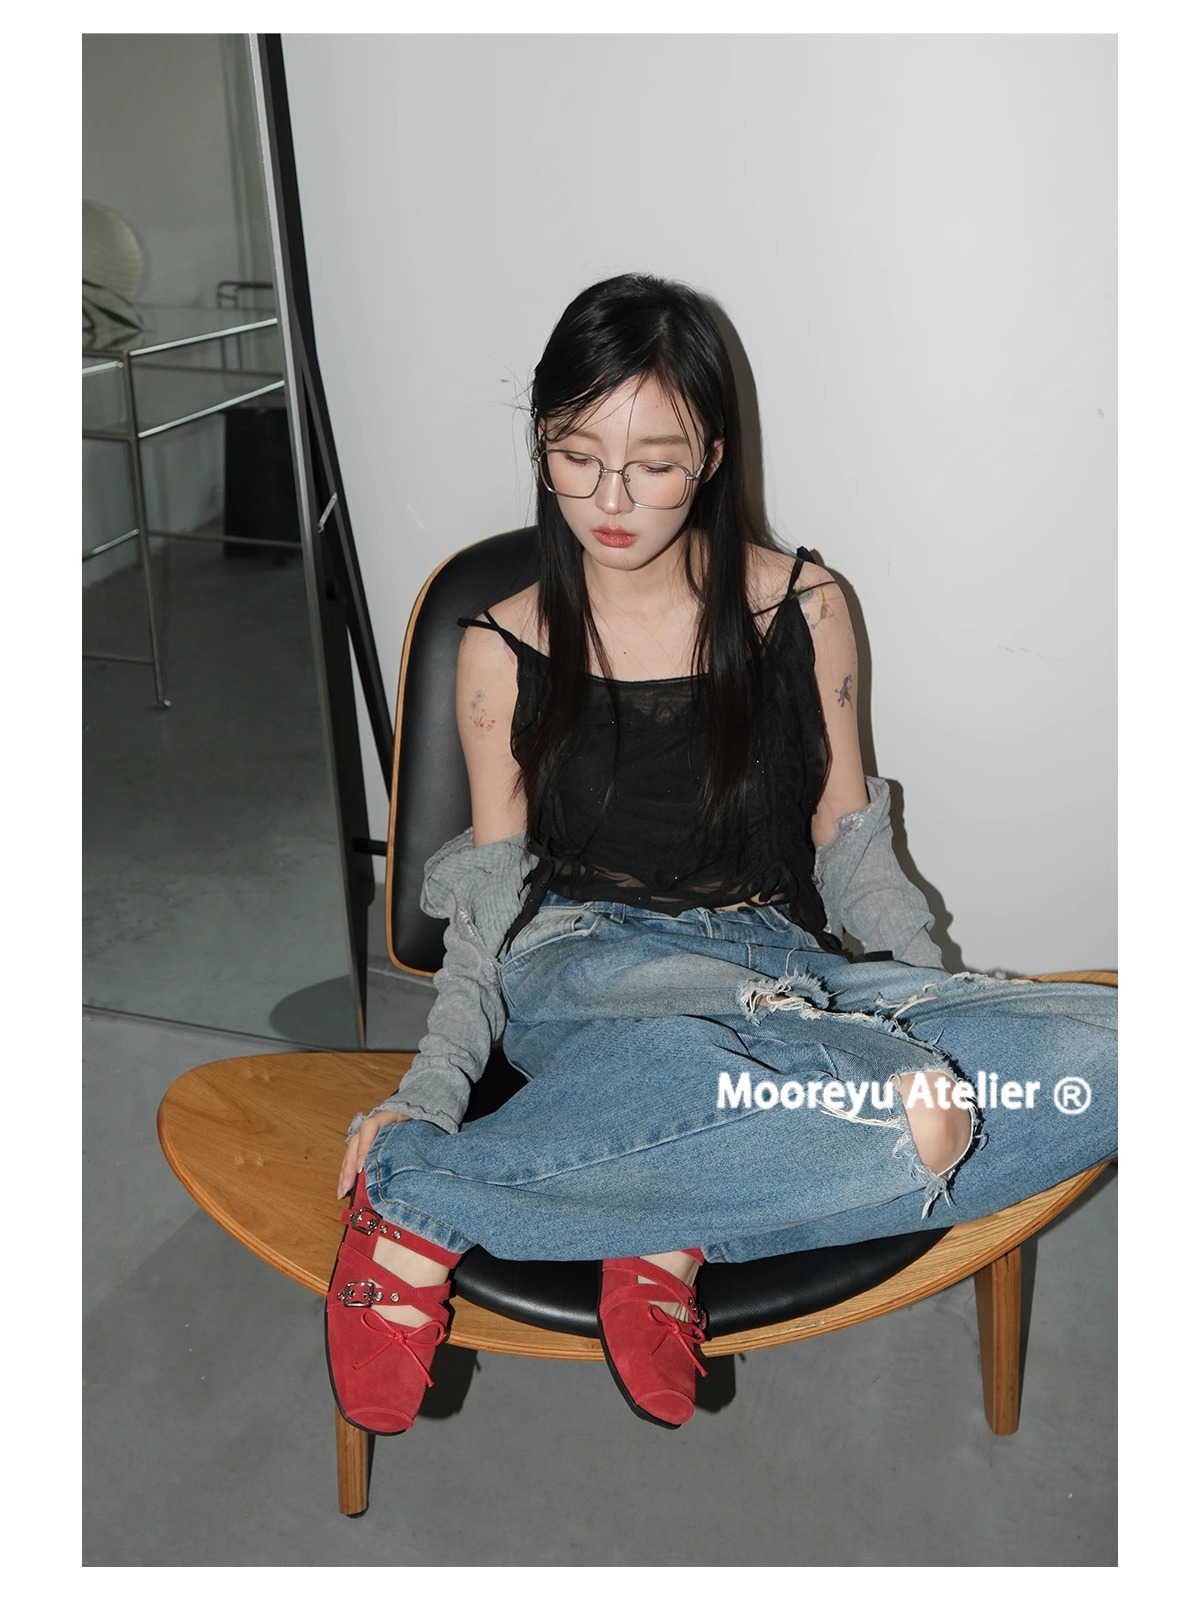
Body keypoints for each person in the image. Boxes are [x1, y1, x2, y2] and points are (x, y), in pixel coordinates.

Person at [326, 273, 1117, 1435]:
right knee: (833, 1091)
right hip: (587, 969)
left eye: (652, 463)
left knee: (1111, 1056)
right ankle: (622, 1201)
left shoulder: (803, 605)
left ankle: (604, 1209)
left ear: (710, 455)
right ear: (542, 442)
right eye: (576, 455)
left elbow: (850, 844)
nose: (610, 498)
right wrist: (429, 1093)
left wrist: (923, 1012)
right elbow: (489, 916)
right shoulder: (504, 647)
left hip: (783, 964)